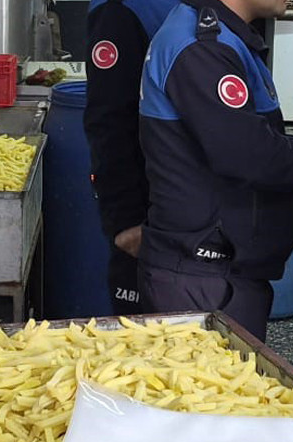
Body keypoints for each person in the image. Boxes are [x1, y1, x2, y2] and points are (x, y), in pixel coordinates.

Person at [137, 0, 293, 340]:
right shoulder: (202, 48)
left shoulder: (224, 40)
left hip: (220, 273)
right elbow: (249, 154)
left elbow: (250, 139)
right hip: (204, 279)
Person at [84, 0, 182, 315]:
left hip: (194, 221)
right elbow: (111, 122)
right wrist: (125, 222)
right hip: (148, 221)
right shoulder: (119, 11)